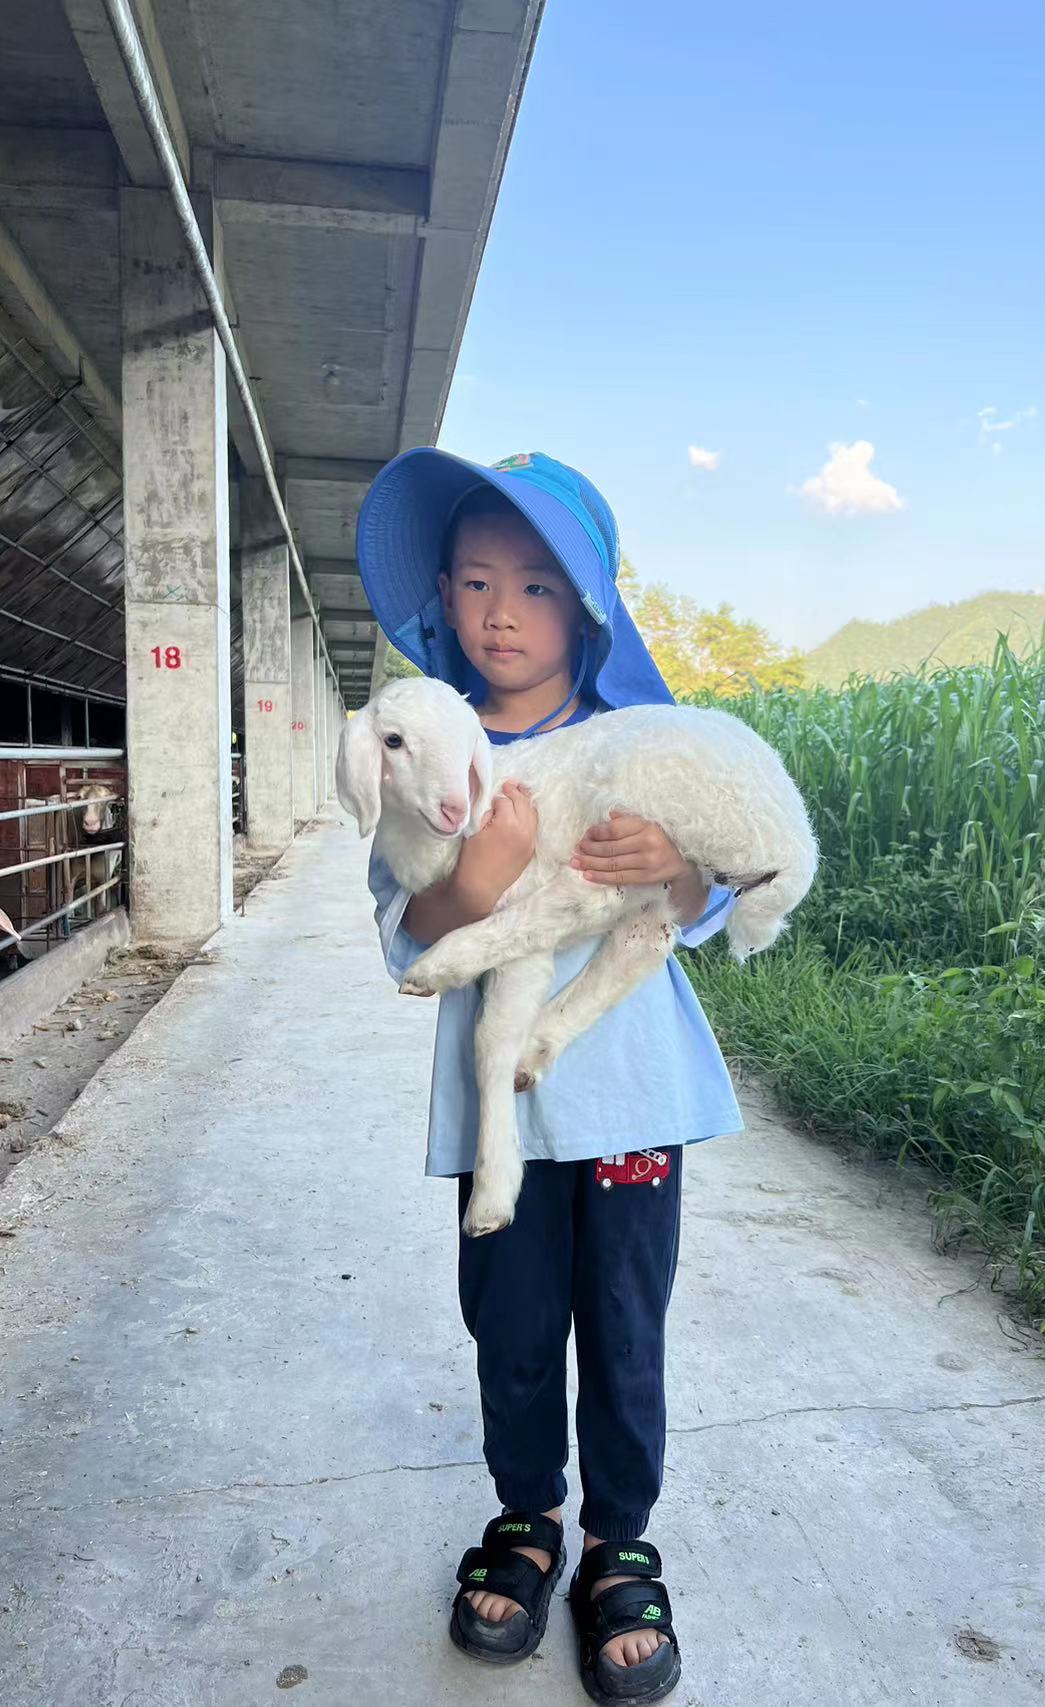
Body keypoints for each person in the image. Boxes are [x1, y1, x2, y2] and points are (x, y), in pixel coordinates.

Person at [357, 449, 743, 1703]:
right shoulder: (428, 751)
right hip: (502, 1124)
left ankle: (617, 1538)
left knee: (624, 1323)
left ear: (586, 609)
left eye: (536, 585)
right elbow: (412, 935)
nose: (502, 611)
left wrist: (674, 866)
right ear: (442, 598)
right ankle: (526, 1516)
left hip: (629, 1101)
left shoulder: (639, 747)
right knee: (511, 1322)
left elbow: (704, 900)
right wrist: (482, 872)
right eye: (474, 581)